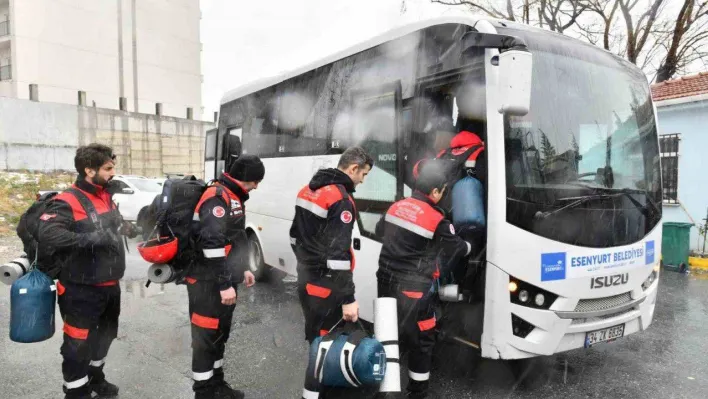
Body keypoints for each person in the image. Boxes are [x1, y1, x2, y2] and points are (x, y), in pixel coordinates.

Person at [37, 144, 137, 399]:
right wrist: (94, 238)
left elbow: (110, 226)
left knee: (105, 336)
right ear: (88, 170)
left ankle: (95, 379)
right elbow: (48, 233)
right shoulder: (67, 200)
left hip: (109, 284)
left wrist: (126, 228)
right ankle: (76, 391)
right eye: (108, 168)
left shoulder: (104, 195)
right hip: (80, 288)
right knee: (77, 343)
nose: (113, 172)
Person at [376, 159, 472, 399]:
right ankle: (417, 394)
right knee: (421, 341)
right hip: (414, 291)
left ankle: (382, 389)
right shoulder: (436, 219)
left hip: (386, 283)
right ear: (436, 191)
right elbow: (457, 250)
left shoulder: (396, 206)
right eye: (442, 192)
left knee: (389, 335)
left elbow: (380, 231)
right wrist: (471, 245)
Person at [290, 147, 372, 399]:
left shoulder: (308, 189)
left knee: (318, 341)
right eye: (364, 174)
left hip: (307, 280)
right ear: (353, 168)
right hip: (327, 287)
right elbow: (338, 257)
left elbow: (295, 237)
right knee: (326, 348)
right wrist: (348, 299)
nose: (363, 180)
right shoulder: (341, 200)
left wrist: (308, 267)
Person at [186, 155, 263, 399]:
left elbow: (235, 238)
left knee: (220, 334)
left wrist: (243, 270)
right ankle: (203, 391)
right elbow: (212, 244)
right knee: (206, 337)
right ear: (244, 177)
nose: (256, 186)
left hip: (224, 280)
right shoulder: (217, 197)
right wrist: (223, 284)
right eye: (254, 181)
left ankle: (216, 385)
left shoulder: (234, 196)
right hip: (207, 282)